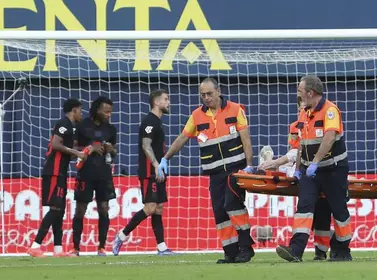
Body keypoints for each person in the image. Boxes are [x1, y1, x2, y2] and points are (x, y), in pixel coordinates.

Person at [158, 78, 256, 264]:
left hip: (235, 170)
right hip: (215, 173)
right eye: (202, 95)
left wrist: (249, 165)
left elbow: (246, 139)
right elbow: (182, 138)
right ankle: (230, 252)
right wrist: (165, 158)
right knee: (220, 213)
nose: (206, 98)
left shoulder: (236, 109)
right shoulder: (197, 116)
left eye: (209, 94)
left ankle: (245, 247)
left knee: (232, 206)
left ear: (218, 91)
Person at [276, 75, 353, 262]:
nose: (298, 95)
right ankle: (295, 251)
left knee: (339, 211)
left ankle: (341, 249)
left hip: (334, 169)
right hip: (311, 171)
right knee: (304, 207)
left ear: (310, 93)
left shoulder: (330, 111)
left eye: (300, 91)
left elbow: (329, 137)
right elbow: (303, 142)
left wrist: (316, 161)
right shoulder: (304, 112)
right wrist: (299, 167)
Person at [259, 96, 333, 260]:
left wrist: (277, 162)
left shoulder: (325, 119)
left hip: (326, 169)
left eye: (305, 108)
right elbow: (296, 152)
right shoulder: (296, 127)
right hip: (304, 169)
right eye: (300, 108)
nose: (303, 111)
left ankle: (325, 247)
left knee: (322, 208)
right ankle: (300, 249)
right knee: (307, 207)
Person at [113, 90, 175, 256]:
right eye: (166, 99)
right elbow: (145, 145)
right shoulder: (149, 122)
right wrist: (155, 165)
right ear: (156, 102)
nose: (169, 102)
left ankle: (162, 247)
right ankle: (121, 236)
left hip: (158, 170)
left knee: (159, 208)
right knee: (150, 207)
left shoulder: (158, 122)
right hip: (150, 172)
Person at [27, 99, 85, 257]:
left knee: (60, 210)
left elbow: (68, 150)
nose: (81, 113)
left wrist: (84, 151)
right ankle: (35, 245)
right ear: (73, 110)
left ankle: (58, 249)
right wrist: (77, 153)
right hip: (53, 171)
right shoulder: (63, 123)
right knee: (55, 208)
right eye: (80, 110)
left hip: (61, 172)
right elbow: (56, 145)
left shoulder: (71, 127)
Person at [72, 96, 118, 256]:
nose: (108, 114)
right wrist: (89, 148)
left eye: (110, 112)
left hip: (104, 174)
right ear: (97, 110)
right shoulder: (82, 126)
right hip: (85, 173)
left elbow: (115, 154)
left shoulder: (111, 129)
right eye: (106, 111)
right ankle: (75, 248)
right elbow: (73, 150)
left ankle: (102, 247)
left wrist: (111, 150)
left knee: (104, 209)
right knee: (80, 210)